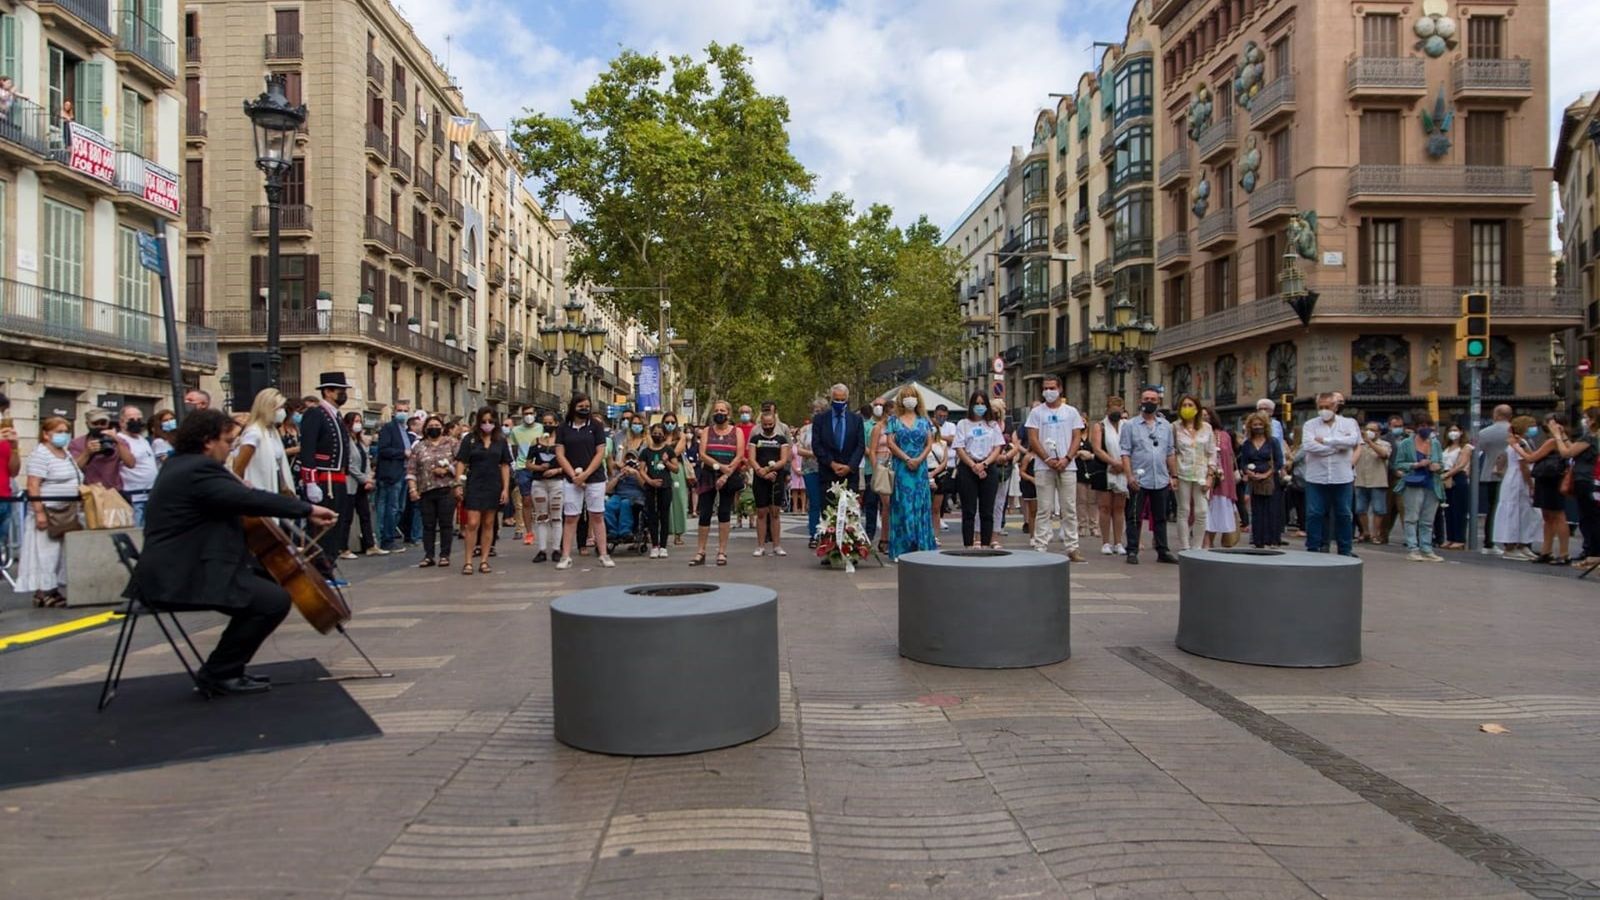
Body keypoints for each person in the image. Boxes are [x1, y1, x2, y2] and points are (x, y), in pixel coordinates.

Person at [127, 409, 337, 696]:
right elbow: (248, 500)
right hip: (181, 573)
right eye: (227, 441)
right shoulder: (198, 470)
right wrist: (308, 509)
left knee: (267, 588)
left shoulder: (183, 465)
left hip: (185, 564)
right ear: (207, 441)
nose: (231, 449)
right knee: (271, 601)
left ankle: (225, 669)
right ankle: (220, 672)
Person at [16, 417, 82, 607]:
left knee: (59, 553)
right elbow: (33, 484)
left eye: (66, 431)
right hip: (48, 510)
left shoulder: (65, 453)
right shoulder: (40, 454)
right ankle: (43, 591)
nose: (63, 435)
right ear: (46, 434)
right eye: (59, 431)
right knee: (45, 552)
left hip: (66, 510)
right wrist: (39, 512)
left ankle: (53, 588)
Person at [297, 373, 353, 583]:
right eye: (341, 390)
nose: (344, 394)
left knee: (335, 525)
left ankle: (329, 565)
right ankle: (318, 570)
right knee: (322, 526)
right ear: (328, 391)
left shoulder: (335, 415)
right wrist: (311, 481)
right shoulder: (315, 414)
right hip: (324, 478)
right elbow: (308, 449)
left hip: (337, 478)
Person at [1026, 375, 1086, 561]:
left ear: (1060, 389)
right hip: (1043, 466)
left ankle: (1072, 547)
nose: (1048, 392)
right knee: (1044, 508)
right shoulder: (1037, 413)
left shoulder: (1071, 412)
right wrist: (1047, 458)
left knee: (1069, 507)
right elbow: (1033, 438)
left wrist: (1067, 458)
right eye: (1045, 388)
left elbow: (1077, 436)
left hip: (1068, 466)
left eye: (1052, 388)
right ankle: (1040, 545)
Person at [1119, 388, 1178, 564]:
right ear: (1140, 401)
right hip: (1139, 477)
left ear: (1158, 402)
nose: (1149, 402)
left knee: (1160, 516)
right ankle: (1132, 550)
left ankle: (1162, 550)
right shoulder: (1130, 425)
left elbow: (1170, 452)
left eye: (1153, 399)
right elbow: (1125, 452)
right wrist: (1129, 476)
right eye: (1146, 399)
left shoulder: (1166, 426)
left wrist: (1173, 475)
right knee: (1134, 516)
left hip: (1159, 477)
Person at [554, 394, 612, 570]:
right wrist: (574, 476)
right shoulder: (563, 428)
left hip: (594, 478)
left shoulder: (596, 426)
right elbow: (559, 454)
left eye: (587, 405)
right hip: (572, 479)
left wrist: (585, 474)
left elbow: (600, 452)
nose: (584, 408)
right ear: (574, 407)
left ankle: (603, 554)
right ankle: (565, 556)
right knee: (571, 517)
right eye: (581, 406)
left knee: (597, 515)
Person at [1300, 392, 1360, 556]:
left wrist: (1326, 441)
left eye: (1327, 407)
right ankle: (1313, 548)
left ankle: (1345, 550)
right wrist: (1337, 447)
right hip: (1316, 477)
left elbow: (1353, 441)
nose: (1324, 410)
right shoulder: (1310, 425)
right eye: (1321, 407)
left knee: (1344, 514)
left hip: (1342, 477)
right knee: (1314, 513)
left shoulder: (1349, 423)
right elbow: (1308, 446)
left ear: (1335, 406)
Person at [453, 407, 511, 574]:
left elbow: (505, 465)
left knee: (488, 523)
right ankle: (468, 561)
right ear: (478, 422)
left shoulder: (500, 440)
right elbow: (461, 462)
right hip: (474, 483)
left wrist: (505, 489)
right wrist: (458, 484)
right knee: (472, 523)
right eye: (484, 421)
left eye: (490, 422)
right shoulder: (470, 440)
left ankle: (484, 560)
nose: (487, 425)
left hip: (493, 484)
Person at [691, 400, 746, 567]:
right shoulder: (707, 431)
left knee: (724, 512)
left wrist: (726, 473)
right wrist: (719, 467)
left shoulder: (737, 432)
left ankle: (722, 551)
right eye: (716, 410)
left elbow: (739, 455)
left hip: (729, 475)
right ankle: (701, 551)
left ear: (728, 414)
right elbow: (702, 454)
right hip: (709, 474)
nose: (719, 413)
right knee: (705, 512)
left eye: (722, 410)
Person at [884, 386, 936, 560]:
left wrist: (919, 459)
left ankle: (921, 547)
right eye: (906, 396)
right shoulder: (894, 420)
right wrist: (907, 459)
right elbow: (890, 443)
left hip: (920, 470)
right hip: (902, 468)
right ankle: (902, 549)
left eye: (912, 396)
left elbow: (929, 444)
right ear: (900, 400)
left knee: (920, 506)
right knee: (903, 507)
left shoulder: (924, 421)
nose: (909, 399)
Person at [406, 415, 458, 568]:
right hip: (426, 490)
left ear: (442, 428)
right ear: (426, 428)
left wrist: (447, 469)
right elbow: (411, 468)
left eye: (437, 425)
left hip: (446, 488)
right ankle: (429, 555)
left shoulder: (452, 443)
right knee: (428, 524)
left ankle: (444, 555)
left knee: (445, 523)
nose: (434, 428)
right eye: (431, 425)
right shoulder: (419, 446)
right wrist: (412, 488)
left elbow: (461, 461)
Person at [1392, 414, 1446, 562]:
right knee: (1411, 517)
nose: (1425, 429)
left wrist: (1437, 466)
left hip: (1432, 483)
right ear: (1416, 427)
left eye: (1428, 426)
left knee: (1428, 520)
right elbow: (1398, 464)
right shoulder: (1406, 444)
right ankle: (1413, 548)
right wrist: (1415, 465)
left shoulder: (1435, 444)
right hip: (1413, 483)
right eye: (1422, 426)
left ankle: (1427, 549)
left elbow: (1441, 464)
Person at [952, 392, 1002, 548]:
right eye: (976, 403)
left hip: (988, 467)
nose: (979, 407)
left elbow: (997, 447)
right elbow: (959, 447)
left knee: (987, 511)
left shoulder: (992, 425)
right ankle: (968, 544)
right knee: (969, 511)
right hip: (968, 467)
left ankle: (986, 545)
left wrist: (985, 464)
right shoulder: (963, 424)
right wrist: (972, 465)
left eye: (982, 403)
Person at [1170, 395, 1218, 551]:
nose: (1187, 407)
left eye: (1190, 404)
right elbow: (1172, 452)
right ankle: (1185, 546)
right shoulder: (1174, 427)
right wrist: (1174, 475)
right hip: (1182, 472)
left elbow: (1212, 452)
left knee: (1202, 510)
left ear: (1197, 408)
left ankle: (1197, 547)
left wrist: (1211, 475)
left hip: (1202, 474)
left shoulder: (1207, 428)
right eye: (1184, 405)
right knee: (1183, 509)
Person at [232, 388, 294, 505]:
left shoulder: (272, 431)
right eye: (279, 408)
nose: (282, 412)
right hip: (259, 487)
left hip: (275, 485)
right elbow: (238, 469)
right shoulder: (254, 433)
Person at [1493, 416, 1543, 560]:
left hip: (1517, 479)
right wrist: (1531, 485)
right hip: (1517, 481)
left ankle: (1523, 544)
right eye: (1531, 425)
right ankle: (1510, 547)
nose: (1534, 428)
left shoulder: (1522, 442)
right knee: (1513, 512)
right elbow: (1524, 466)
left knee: (1524, 513)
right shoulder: (1517, 443)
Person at [1556, 407, 1600, 566]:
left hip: (1585, 479)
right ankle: (1590, 549)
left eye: (1586, 417)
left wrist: (1557, 437)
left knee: (1589, 517)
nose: (1583, 420)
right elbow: (1573, 447)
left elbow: (1567, 453)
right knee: (1589, 516)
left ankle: (1593, 551)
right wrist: (1563, 436)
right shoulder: (1590, 437)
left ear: (1593, 420)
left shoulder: (1590, 437)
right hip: (1588, 479)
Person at [1525, 414, 1571, 565]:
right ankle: (1547, 550)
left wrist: (1516, 446)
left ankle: (1562, 553)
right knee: (1549, 516)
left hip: (1550, 479)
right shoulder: (1561, 441)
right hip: (1548, 479)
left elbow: (1531, 458)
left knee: (1557, 515)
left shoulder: (1553, 441)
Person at [811, 384, 865, 506]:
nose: (839, 402)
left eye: (842, 400)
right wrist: (832, 463)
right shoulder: (820, 419)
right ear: (831, 399)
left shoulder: (856, 420)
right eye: (836, 399)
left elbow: (860, 445)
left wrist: (850, 466)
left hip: (850, 476)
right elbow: (816, 445)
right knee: (828, 515)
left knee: (850, 515)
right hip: (828, 474)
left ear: (847, 399)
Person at [748, 405, 791, 557]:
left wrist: (770, 471)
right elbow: (751, 459)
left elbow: (784, 459)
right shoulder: (755, 439)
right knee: (761, 512)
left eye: (770, 425)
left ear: (774, 423)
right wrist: (761, 472)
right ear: (761, 424)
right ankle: (760, 546)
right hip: (760, 479)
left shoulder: (781, 439)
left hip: (776, 478)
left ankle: (777, 545)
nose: (767, 427)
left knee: (775, 512)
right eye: (765, 425)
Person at [1237, 412, 1283, 548]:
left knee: (1272, 510)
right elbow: (1243, 462)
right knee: (1257, 511)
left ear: (1265, 425)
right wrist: (1249, 472)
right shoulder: (1247, 444)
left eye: (1260, 424)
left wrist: (1267, 474)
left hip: (1270, 480)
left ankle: (1273, 540)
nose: (1258, 427)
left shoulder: (1272, 441)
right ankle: (1258, 540)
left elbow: (1279, 461)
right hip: (1254, 480)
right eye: (1255, 425)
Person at [337, 412, 379, 559]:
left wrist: (368, 477)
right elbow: (350, 464)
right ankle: (343, 548)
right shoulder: (346, 441)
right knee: (347, 516)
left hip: (362, 484)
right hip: (351, 483)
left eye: (360, 421)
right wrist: (364, 479)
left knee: (365, 515)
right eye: (355, 421)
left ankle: (370, 545)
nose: (358, 424)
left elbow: (365, 460)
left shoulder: (360, 441)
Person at [1090, 397, 1128, 556]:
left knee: (1119, 508)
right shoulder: (1100, 426)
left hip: (1123, 470)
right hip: (1104, 469)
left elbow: (1131, 446)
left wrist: (1123, 465)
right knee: (1105, 507)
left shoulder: (1127, 426)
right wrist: (1113, 462)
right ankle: (1105, 542)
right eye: (1112, 409)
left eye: (1118, 409)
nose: (1115, 412)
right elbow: (1097, 449)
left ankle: (1118, 542)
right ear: (1107, 410)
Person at [374, 399, 413, 552]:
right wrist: (402, 453)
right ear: (394, 411)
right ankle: (387, 539)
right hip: (391, 474)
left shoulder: (405, 430)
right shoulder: (388, 428)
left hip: (403, 472)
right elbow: (383, 450)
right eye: (400, 410)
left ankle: (390, 537)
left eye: (405, 410)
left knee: (399, 508)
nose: (402, 413)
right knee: (390, 507)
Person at [525, 413, 564, 563]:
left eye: (551, 422)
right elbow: (528, 464)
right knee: (541, 516)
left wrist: (557, 470)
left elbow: (568, 463)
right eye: (545, 422)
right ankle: (541, 549)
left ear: (556, 423)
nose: (548, 425)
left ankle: (556, 549)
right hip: (539, 482)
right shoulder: (536, 442)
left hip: (556, 482)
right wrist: (539, 467)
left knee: (556, 516)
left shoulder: (561, 443)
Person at [636, 423, 678, 559]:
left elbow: (676, 469)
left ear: (664, 435)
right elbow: (641, 470)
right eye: (655, 432)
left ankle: (663, 546)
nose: (657, 435)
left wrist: (666, 462)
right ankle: (654, 545)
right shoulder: (645, 452)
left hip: (665, 487)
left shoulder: (669, 450)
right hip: (650, 488)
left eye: (660, 433)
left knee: (664, 516)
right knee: (652, 516)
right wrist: (650, 481)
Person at [1475, 404, 1513, 554]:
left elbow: (1475, 451)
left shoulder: (1484, 433)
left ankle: (1488, 542)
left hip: (1491, 474)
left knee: (1492, 509)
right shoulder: (1515, 431)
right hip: (1511, 474)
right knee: (1510, 509)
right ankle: (1509, 542)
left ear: (1495, 415)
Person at [69, 408, 135, 491]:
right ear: (88, 424)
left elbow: (131, 464)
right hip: (89, 491)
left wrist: (117, 441)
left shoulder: (118, 441)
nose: (99, 426)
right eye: (95, 423)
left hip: (114, 491)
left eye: (103, 423)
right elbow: (74, 469)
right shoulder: (77, 443)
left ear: (108, 423)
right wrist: (87, 453)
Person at [1353, 419, 1393, 544]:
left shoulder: (1384, 444)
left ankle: (1376, 534)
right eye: (1368, 429)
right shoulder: (1358, 444)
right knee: (1360, 509)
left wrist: (1370, 442)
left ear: (1379, 432)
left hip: (1378, 481)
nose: (1369, 432)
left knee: (1378, 509)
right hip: (1361, 481)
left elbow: (1384, 454)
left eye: (1373, 430)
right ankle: (1365, 532)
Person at [1202, 408, 1237, 548]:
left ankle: (1217, 539)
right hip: (1203, 478)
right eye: (1202, 415)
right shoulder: (1197, 434)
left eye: (1207, 415)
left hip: (1222, 481)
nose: (1204, 418)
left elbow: (1230, 458)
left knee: (1219, 509)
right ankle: (1206, 542)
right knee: (1205, 511)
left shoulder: (1224, 436)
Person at [117, 405, 158, 525]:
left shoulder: (143, 440)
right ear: (122, 422)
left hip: (150, 495)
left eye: (139, 419)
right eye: (131, 419)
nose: (136, 422)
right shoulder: (120, 440)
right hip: (134, 497)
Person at [1438, 424, 1474, 550]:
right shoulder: (1446, 448)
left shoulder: (1466, 447)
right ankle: (1450, 537)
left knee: (1459, 509)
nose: (1453, 433)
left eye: (1455, 430)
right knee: (1448, 510)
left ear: (1461, 432)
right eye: (1450, 430)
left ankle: (1459, 539)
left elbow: (1461, 465)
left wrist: (1447, 475)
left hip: (1458, 477)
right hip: (1445, 476)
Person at [661, 412, 690, 545]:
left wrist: (665, 449)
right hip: (661, 469)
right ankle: (664, 532)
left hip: (676, 468)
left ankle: (678, 534)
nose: (670, 425)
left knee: (678, 499)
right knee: (664, 501)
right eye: (667, 422)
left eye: (672, 422)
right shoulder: (659, 434)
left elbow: (676, 452)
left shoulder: (681, 436)